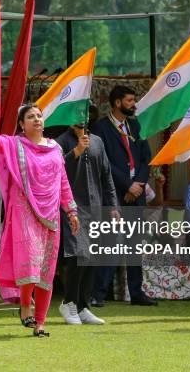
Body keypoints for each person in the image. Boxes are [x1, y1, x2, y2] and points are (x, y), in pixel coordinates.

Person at [0, 90, 80, 338]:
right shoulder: (14, 145)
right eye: (31, 117)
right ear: (22, 125)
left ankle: (40, 324)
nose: (37, 119)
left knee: (46, 269)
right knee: (30, 261)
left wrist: (71, 211)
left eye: (39, 115)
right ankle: (25, 305)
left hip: (52, 216)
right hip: (24, 210)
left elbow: (63, 181)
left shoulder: (55, 148)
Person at [91, 85, 156, 306]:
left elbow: (146, 157)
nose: (133, 104)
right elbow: (104, 161)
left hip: (135, 192)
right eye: (129, 100)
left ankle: (136, 293)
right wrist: (127, 185)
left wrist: (138, 184)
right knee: (111, 243)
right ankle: (98, 294)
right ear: (117, 103)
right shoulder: (100, 128)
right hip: (113, 194)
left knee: (134, 244)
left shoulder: (136, 125)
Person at [56, 122, 117, 325]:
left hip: (96, 208)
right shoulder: (60, 142)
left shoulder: (97, 141)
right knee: (77, 255)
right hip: (71, 208)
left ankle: (83, 306)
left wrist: (113, 206)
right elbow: (55, 170)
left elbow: (107, 175)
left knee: (92, 258)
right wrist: (76, 151)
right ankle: (68, 303)